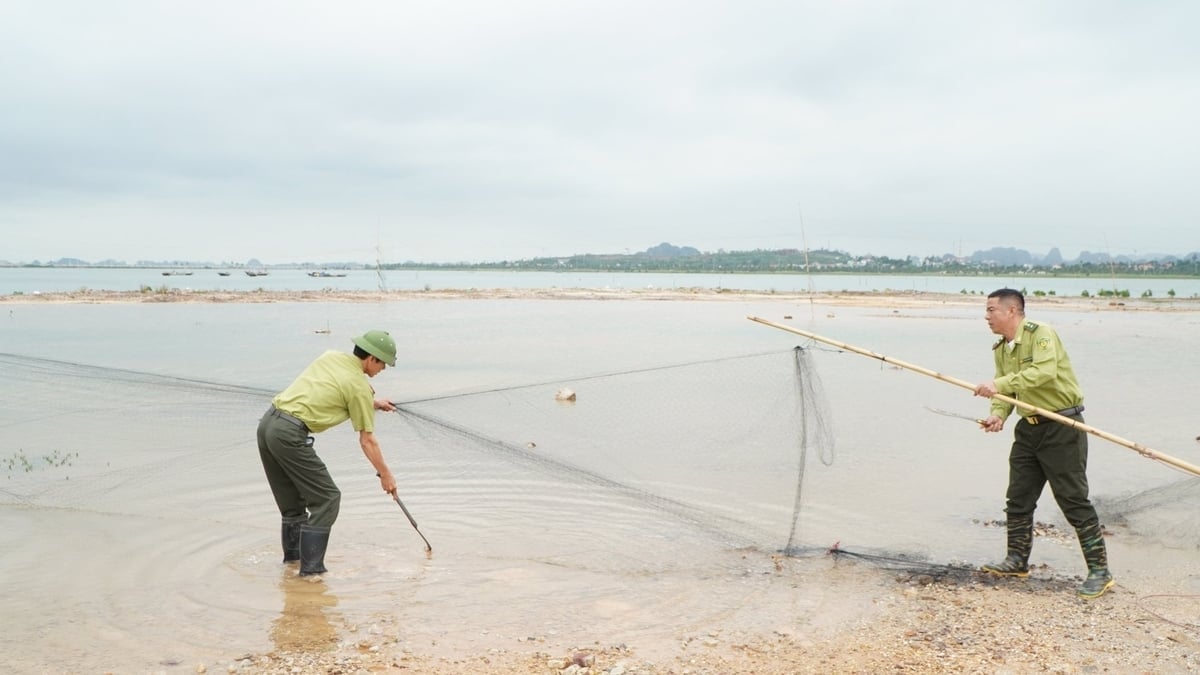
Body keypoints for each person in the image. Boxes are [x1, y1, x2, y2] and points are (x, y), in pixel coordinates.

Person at [972, 288, 1114, 599]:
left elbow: (1044, 373)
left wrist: (998, 385)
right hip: (1029, 430)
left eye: (991, 310)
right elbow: (1005, 395)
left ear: (1012, 311)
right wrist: (998, 415)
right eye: (986, 311)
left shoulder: (1041, 334)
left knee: (1073, 500)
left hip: (1062, 427)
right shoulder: (1001, 349)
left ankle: (1100, 572)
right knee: (1018, 498)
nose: (986, 317)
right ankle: (1016, 560)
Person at [257, 329, 399, 576]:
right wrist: (385, 475)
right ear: (371, 358)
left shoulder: (331, 356)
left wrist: (372, 402)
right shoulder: (358, 387)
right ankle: (312, 574)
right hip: (289, 435)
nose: (382, 370)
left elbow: (328, 387)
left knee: (293, 506)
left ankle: (292, 567)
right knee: (328, 499)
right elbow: (367, 441)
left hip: (268, 426)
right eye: (383, 364)